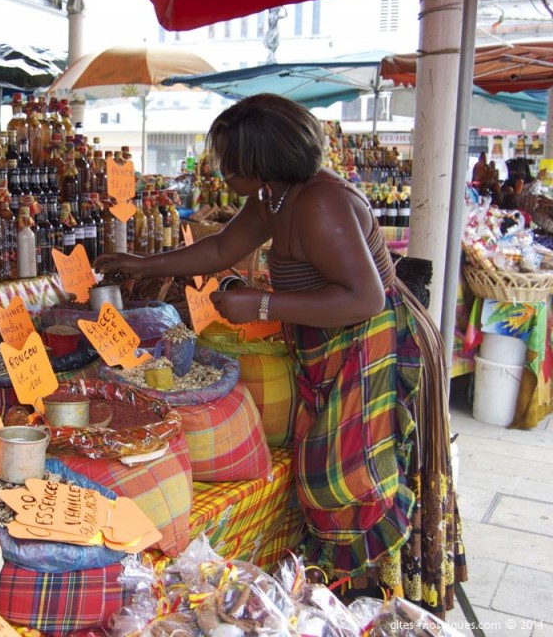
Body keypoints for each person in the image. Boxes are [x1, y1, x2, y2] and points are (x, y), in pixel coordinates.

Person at [95, 93, 466, 616]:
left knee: (347, 480)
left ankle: (368, 600)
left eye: (230, 163)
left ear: (263, 161)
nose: (221, 172)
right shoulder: (272, 196)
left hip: (370, 341)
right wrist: (142, 263)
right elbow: (221, 249)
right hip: (330, 340)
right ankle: (339, 595)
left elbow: (365, 299)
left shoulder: (320, 203)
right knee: (328, 469)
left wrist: (262, 303)